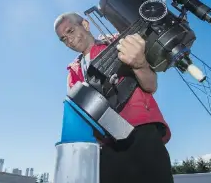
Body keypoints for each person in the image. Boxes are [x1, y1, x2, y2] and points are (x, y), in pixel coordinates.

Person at [54, 12, 174, 183]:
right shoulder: (73, 72)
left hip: (141, 136)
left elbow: (151, 85)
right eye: (64, 39)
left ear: (85, 25)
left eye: (71, 31)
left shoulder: (119, 43)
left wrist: (140, 64)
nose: (69, 40)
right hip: (106, 147)